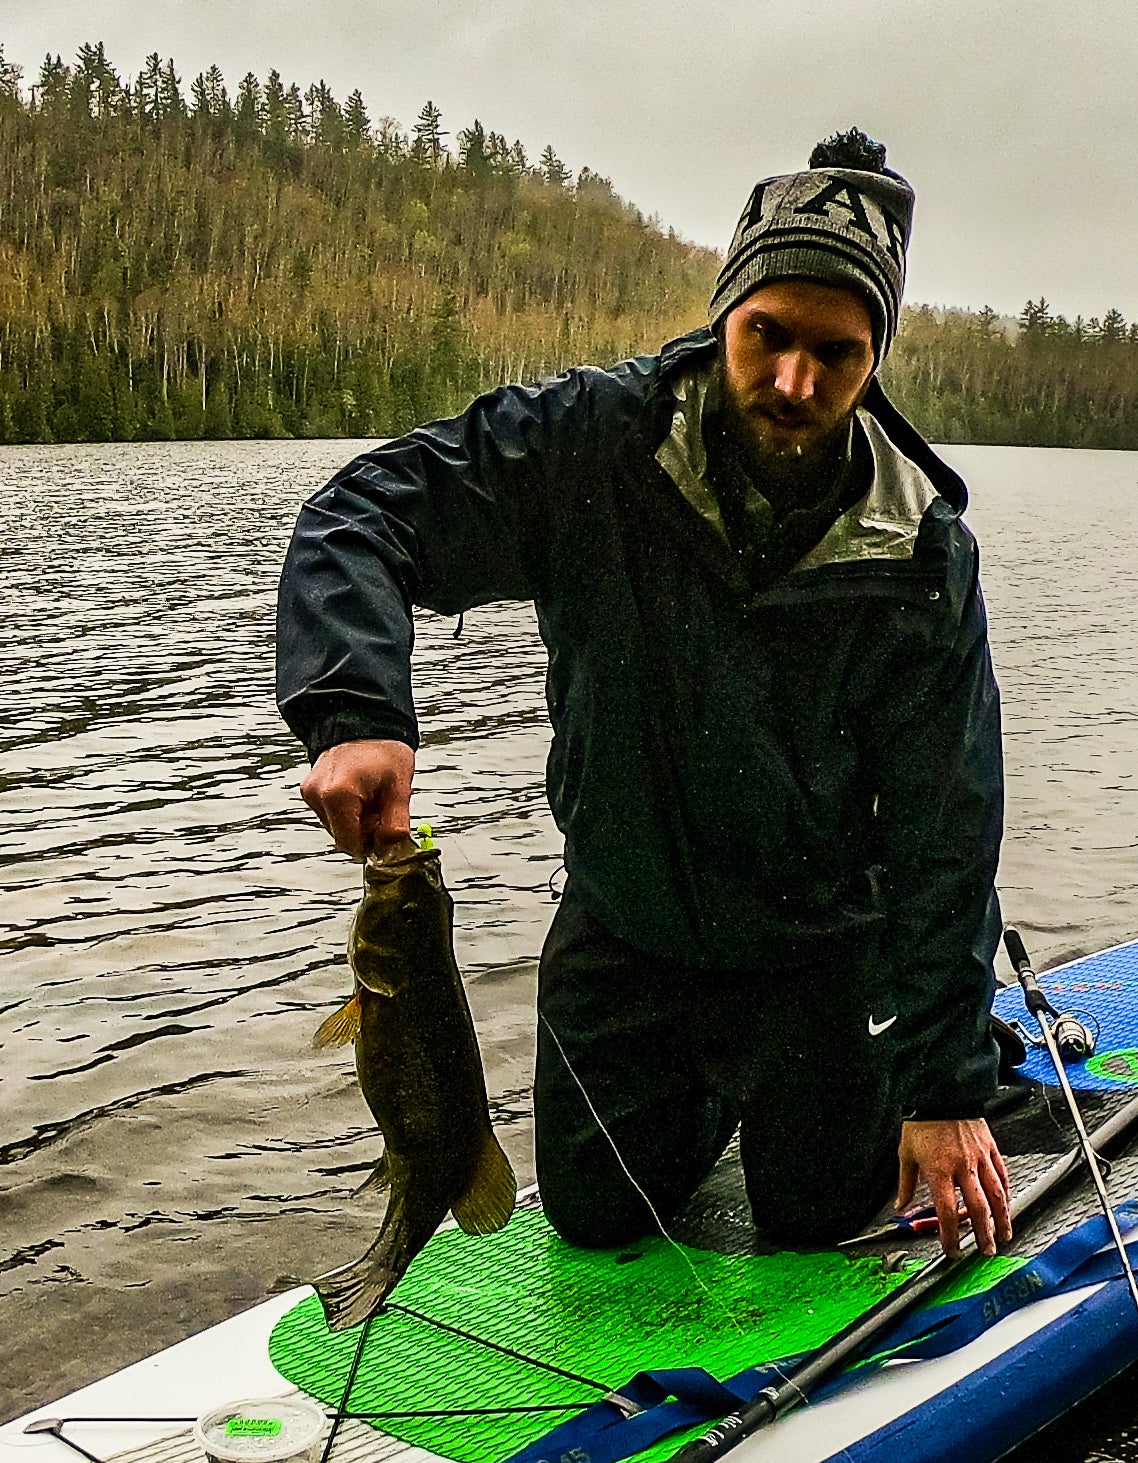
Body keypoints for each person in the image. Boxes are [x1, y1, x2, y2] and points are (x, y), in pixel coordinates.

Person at [276, 130, 1013, 1259]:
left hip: (819, 958)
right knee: (593, 1216)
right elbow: (359, 515)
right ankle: (710, 1113)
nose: (792, 382)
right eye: (766, 334)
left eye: (837, 352)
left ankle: (957, 1060)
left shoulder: (916, 550)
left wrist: (944, 1084)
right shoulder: (589, 446)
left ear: (876, 359)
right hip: (628, 934)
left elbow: (944, 832)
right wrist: (356, 710)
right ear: (725, 311)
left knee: (822, 1221)